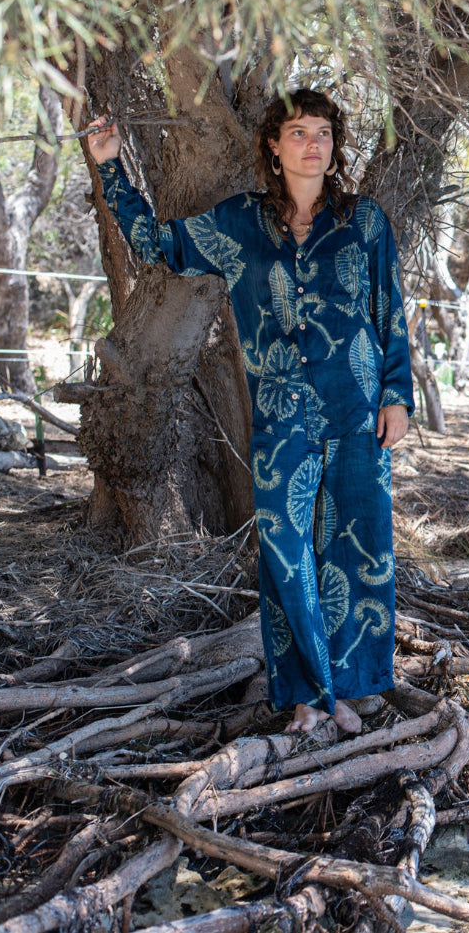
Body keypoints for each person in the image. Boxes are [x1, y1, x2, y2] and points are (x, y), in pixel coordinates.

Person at [86, 90, 413, 735]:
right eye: (298, 132)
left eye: (323, 133)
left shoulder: (366, 223)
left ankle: (353, 687)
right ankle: (312, 697)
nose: (313, 144)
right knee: (286, 553)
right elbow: (158, 245)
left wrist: (396, 395)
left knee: (358, 549)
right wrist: (110, 168)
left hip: (357, 416)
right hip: (280, 415)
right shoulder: (239, 224)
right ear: (273, 144)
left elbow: (390, 312)